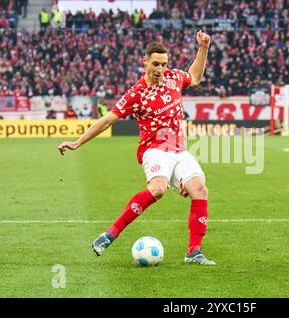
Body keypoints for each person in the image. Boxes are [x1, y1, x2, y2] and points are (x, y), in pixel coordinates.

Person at [57, 31, 215, 265]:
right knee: (158, 189)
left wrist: (203, 48)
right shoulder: (136, 93)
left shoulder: (174, 78)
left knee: (200, 190)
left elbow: (195, 76)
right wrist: (78, 142)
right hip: (154, 149)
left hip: (178, 149)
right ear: (145, 61)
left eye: (164, 64)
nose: (160, 69)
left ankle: (194, 252)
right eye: (155, 64)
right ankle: (110, 234)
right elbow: (107, 120)